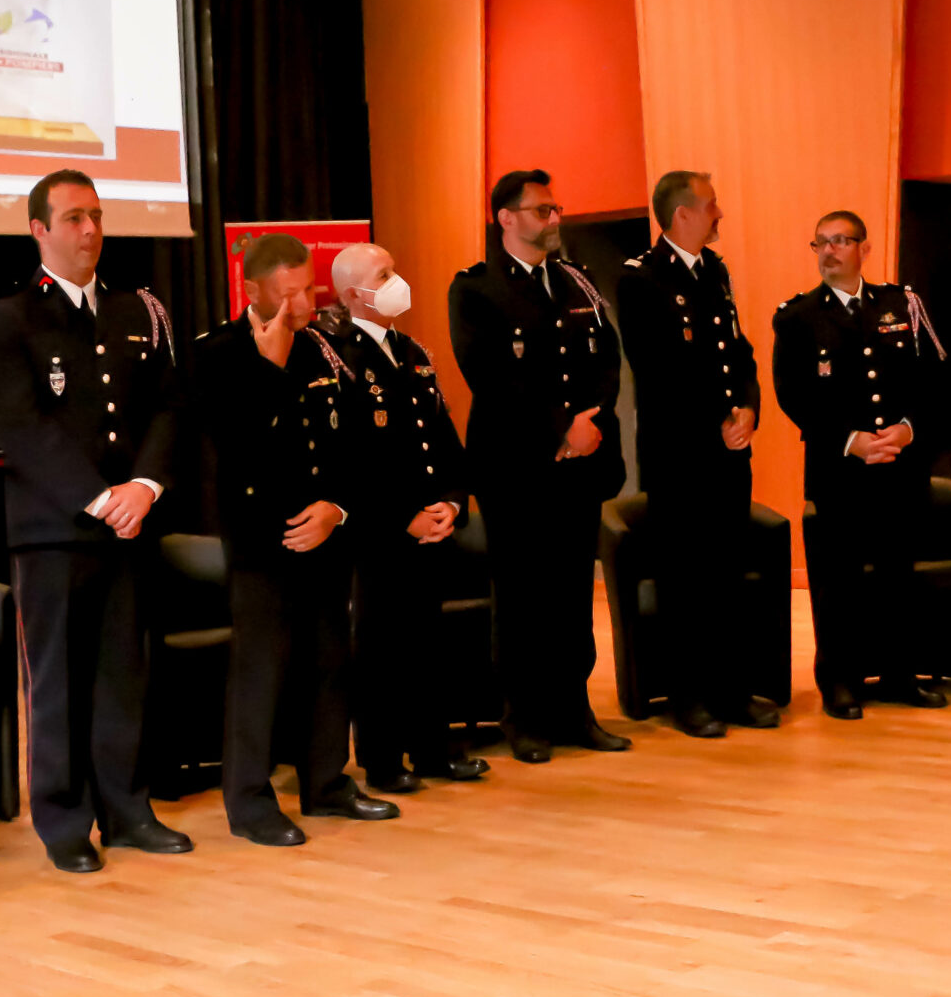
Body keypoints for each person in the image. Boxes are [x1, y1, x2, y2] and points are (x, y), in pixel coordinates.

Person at [0, 169, 188, 874]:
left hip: (131, 523)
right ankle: (65, 822)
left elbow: (167, 405)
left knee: (123, 674)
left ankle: (128, 811)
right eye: (73, 218)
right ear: (39, 229)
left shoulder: (135, 308)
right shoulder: (9, 317)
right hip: (55, 530)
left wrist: (146, 487)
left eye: (95, 215)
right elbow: (21, 425)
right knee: (59, 681)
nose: (90, 229)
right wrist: (101, 498)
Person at [190, 233, 395, 844]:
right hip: (262, 541)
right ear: (251, 289)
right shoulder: (217, 353)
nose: (303, 304)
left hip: (325, 533)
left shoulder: (326, 347)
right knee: (261, 672)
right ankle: (250, 802)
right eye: (288, 294)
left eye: (309, 289)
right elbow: (238, 445)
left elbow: (355, 443)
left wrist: (336, 507)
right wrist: (271, 369)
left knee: (329, 661)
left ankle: (326, 782)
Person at [448, 170, 633, 764]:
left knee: (572, 592)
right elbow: (491, 376)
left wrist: (591, 421)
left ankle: (574, 710)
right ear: (506, 217)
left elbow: (606, 358)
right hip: (516, 467)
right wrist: (560, 427)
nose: (554, 219)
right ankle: (524, 717)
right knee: (523, 594)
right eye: (540, 210)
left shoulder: (577, 280)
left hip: (580, 464)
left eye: (556, 209)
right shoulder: (476, 288)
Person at [769, 208, 949, 719]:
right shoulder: (798, 316)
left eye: (840, 241)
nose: (828, 251)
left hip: (900, 466)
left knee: (898, 577)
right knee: (839, 583)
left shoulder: (902, 304)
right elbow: (792, 393)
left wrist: (909, 429)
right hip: (839, 472)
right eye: (820, 243)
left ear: (864, 249)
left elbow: (936, 379)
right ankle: (840, 682)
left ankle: (899, 675)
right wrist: (851, 440)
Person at [613, 172, 772, 736]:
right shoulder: (640, 278)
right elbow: (660, 371)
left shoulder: (715, 271)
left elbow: (737, 352)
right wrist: (716, 424)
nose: (718, 213)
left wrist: (748, 409)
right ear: (682, 214)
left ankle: (732, 691)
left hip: (729, 454)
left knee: (727, 575)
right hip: (680, 457)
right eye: (711, 205)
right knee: (685, 580)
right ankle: (689, 698)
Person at [326, 242, 487, 793]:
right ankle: (383, 759)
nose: (397, 281)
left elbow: (439, 437)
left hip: (430, 525)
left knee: (428, 644)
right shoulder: (338, 356)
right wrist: (404, 516)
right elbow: (349, 460)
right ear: (353, 295)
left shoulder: (412, 351)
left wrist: (452, 502)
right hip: (378, 531)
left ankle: (433, 751)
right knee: (381, 648)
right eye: (384, 275)